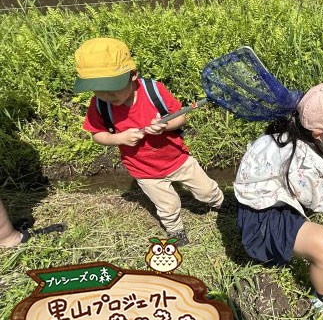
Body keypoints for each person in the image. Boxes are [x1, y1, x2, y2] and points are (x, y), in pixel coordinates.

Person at [234, 83, 323, 311]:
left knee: (319, 236)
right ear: (319, 133)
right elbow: (317, 200)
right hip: (260, 222)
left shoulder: (297, 130)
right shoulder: (300, 160)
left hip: (270, 197)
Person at [77, 38, 225, 245]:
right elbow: (97, 135)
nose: (107, 96)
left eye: (112, 88)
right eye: (98, 90)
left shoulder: (152, 91)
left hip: (178, 159)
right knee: (168, 205)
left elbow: (181, 117)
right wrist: (119, 138)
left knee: (206, 190)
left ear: (133, 75)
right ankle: (176, 231)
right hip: (144, 170)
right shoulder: (100, 104)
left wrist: (165, 125)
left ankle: (221, 205)